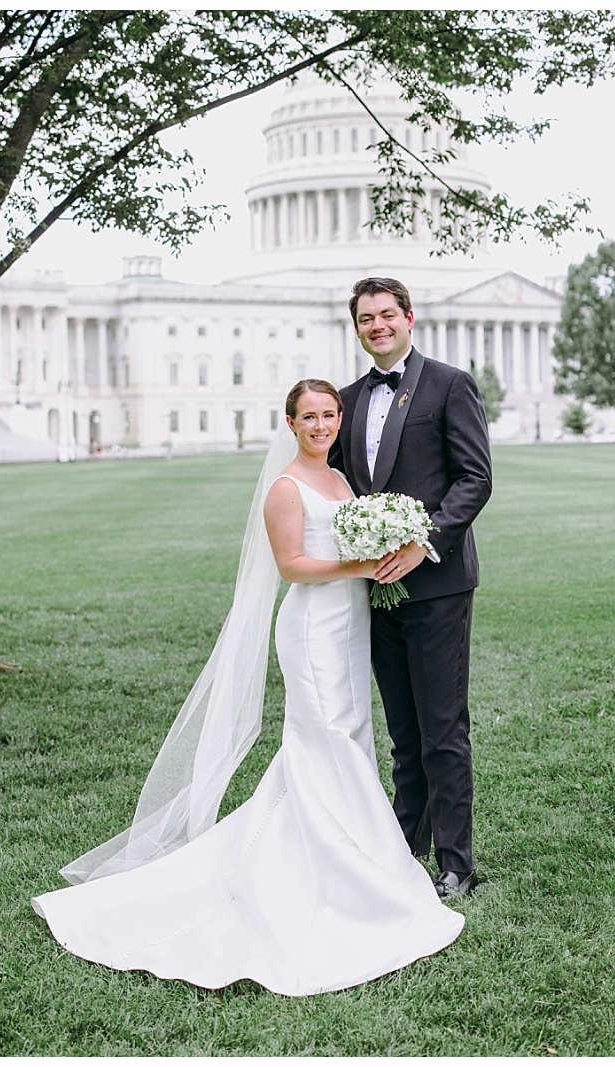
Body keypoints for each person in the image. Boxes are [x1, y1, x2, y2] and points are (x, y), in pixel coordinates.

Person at [33, 381, 463, 993]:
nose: (320, 425)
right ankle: (354, 870)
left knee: (347, 738)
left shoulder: (341, 482)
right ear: (289, 424)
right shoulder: (285, 489)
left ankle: (349, 854)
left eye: (328, 415)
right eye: (308, 417)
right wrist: (362, 565)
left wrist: (384, 548)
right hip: (313, 628)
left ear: (338, 418)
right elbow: (292, 566)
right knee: (329, 738)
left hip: (351, 624)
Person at [329, 277, 493, 899]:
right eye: (366, 318)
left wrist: (420, 544)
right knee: (403, 730)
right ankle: (406, 848)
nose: (377, 325)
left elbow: (474, 479)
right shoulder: (346, 399)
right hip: (374, 590)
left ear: (409, 318)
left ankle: (456, 862)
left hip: (438, 585)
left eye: (386, 315)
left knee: (443, 726)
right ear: (357, 327)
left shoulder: (450, 385)